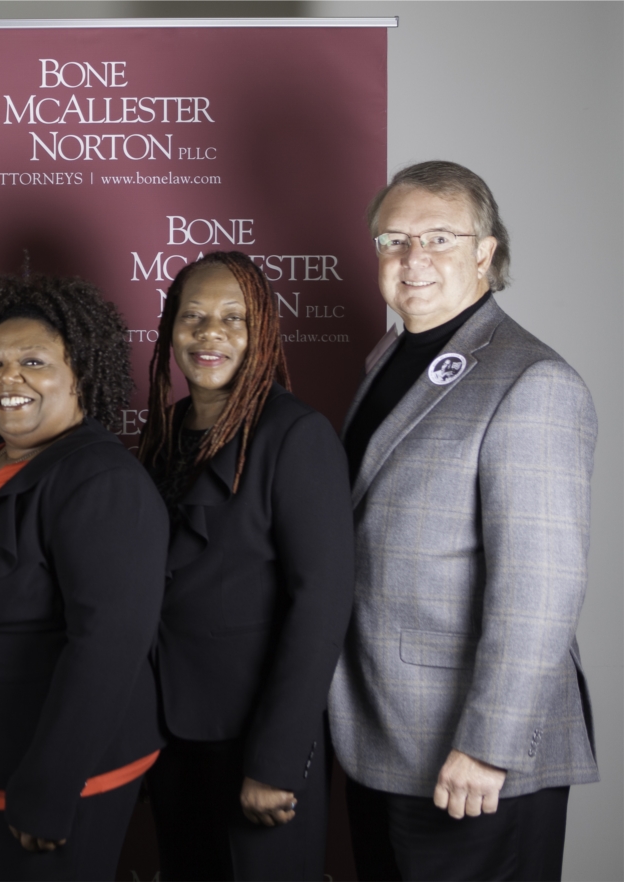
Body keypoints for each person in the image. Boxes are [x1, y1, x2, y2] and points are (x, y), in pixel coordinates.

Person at [331, 160, 598, 881]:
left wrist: (489, 745)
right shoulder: (391, 357)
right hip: (381, 729)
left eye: (439, 238)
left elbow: (540, 585)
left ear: (486, 251)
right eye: (393, 241)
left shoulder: (532, 381)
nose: (412, 259)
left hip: (472, 756)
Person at [0, 274, 168, 881]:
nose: (7, 377)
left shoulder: (101, 482)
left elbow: (108, 648)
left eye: (33, 361)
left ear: (81, 375)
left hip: (52, 779)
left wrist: (51, 787)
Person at [135, 251, 354, 880]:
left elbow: (322, 603)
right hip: (172, 735)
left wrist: (277, 760)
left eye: (234, 318)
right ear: (170, 328)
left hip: (256, 741)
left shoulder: (295, 435)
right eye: (193, 316)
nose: (210, 334)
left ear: (263, 332)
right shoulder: (168, 431)